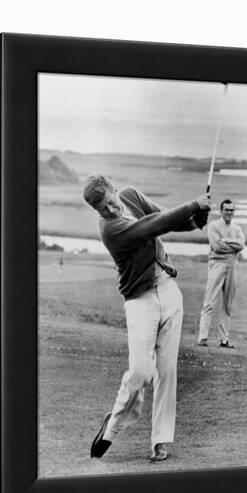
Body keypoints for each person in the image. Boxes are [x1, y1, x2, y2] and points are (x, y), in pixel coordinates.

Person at [82, 175, 211, 462]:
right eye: (104, 209)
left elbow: (161, 215)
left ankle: (160, 442)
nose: (112, 210)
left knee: (167, 371)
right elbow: (151, 226)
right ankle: (112, 427)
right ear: (98, 212)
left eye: (112, 202)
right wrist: (192, 204)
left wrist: (194, 221)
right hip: (140, 300)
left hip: (168, 290)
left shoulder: (130, 194)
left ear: (116, 190)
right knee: (140, 371)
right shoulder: (111, 230)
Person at [197, 199, 245, 348]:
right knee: (209, 301)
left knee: (227, 303)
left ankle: (224, 339)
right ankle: (202, 337)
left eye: (232, 210)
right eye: (226, 210)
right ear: (221, 210)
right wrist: (233, 246)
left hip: (232, 265)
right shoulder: (213, 226)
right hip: (217, 264)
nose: (229, 213)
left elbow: (241, 245)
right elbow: (217, 246)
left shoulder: (237, 228)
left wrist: (227, 241)